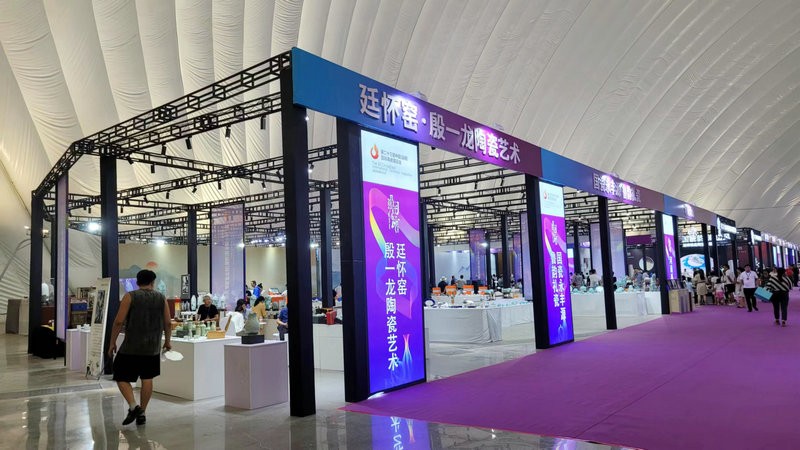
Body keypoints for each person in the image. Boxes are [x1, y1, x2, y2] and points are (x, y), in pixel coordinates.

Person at [107, 269, 171, 426]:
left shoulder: (130, 296)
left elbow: (118, 321)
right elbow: (168, 322)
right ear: (153, 282)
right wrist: (167, 341)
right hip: (152, 347)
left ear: (137, 282)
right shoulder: (161, 298)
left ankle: (133, 406)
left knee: (120, 375)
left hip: (131, 347)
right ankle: (142, 412)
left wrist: (112, 342)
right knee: (147, 378)